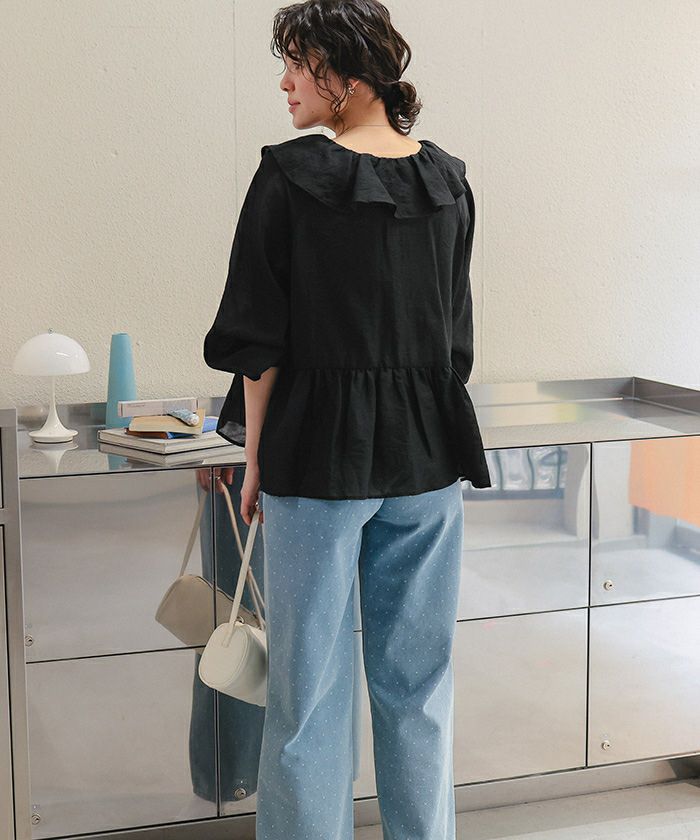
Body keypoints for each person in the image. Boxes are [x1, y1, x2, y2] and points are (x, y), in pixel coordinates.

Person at [203, 1, 492, 837]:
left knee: (309, 698)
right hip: (427, 462)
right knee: (420, 689)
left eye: (301, 63)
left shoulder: (289, 176)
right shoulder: (447, 180)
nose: (285, 81)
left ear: (350, 77)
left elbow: (259, 342)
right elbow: (455, 338)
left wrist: (256, 460)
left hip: (317, 463)